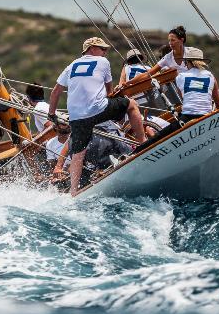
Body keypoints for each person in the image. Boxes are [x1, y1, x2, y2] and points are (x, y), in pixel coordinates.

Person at [48, 37, 146, 196]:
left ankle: (74, 193)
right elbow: (109, 91)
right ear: (92, 48)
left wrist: (52, 114)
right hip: (97, 109)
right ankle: (143, 144)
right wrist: (115, 111)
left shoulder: (71, 66)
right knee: (132, 105)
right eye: (103, 49)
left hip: (76, 118)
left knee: (78, 155)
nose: (105, 52)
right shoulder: (103, 62)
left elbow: (55, 92)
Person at [175, 48, 219, 123]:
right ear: (202, 62)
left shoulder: (180, 77)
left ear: (187, 62)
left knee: (160, 134)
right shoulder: (210, 76)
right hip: (207, 118)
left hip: (187, 118)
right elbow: (218, 104)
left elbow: (184, 99)